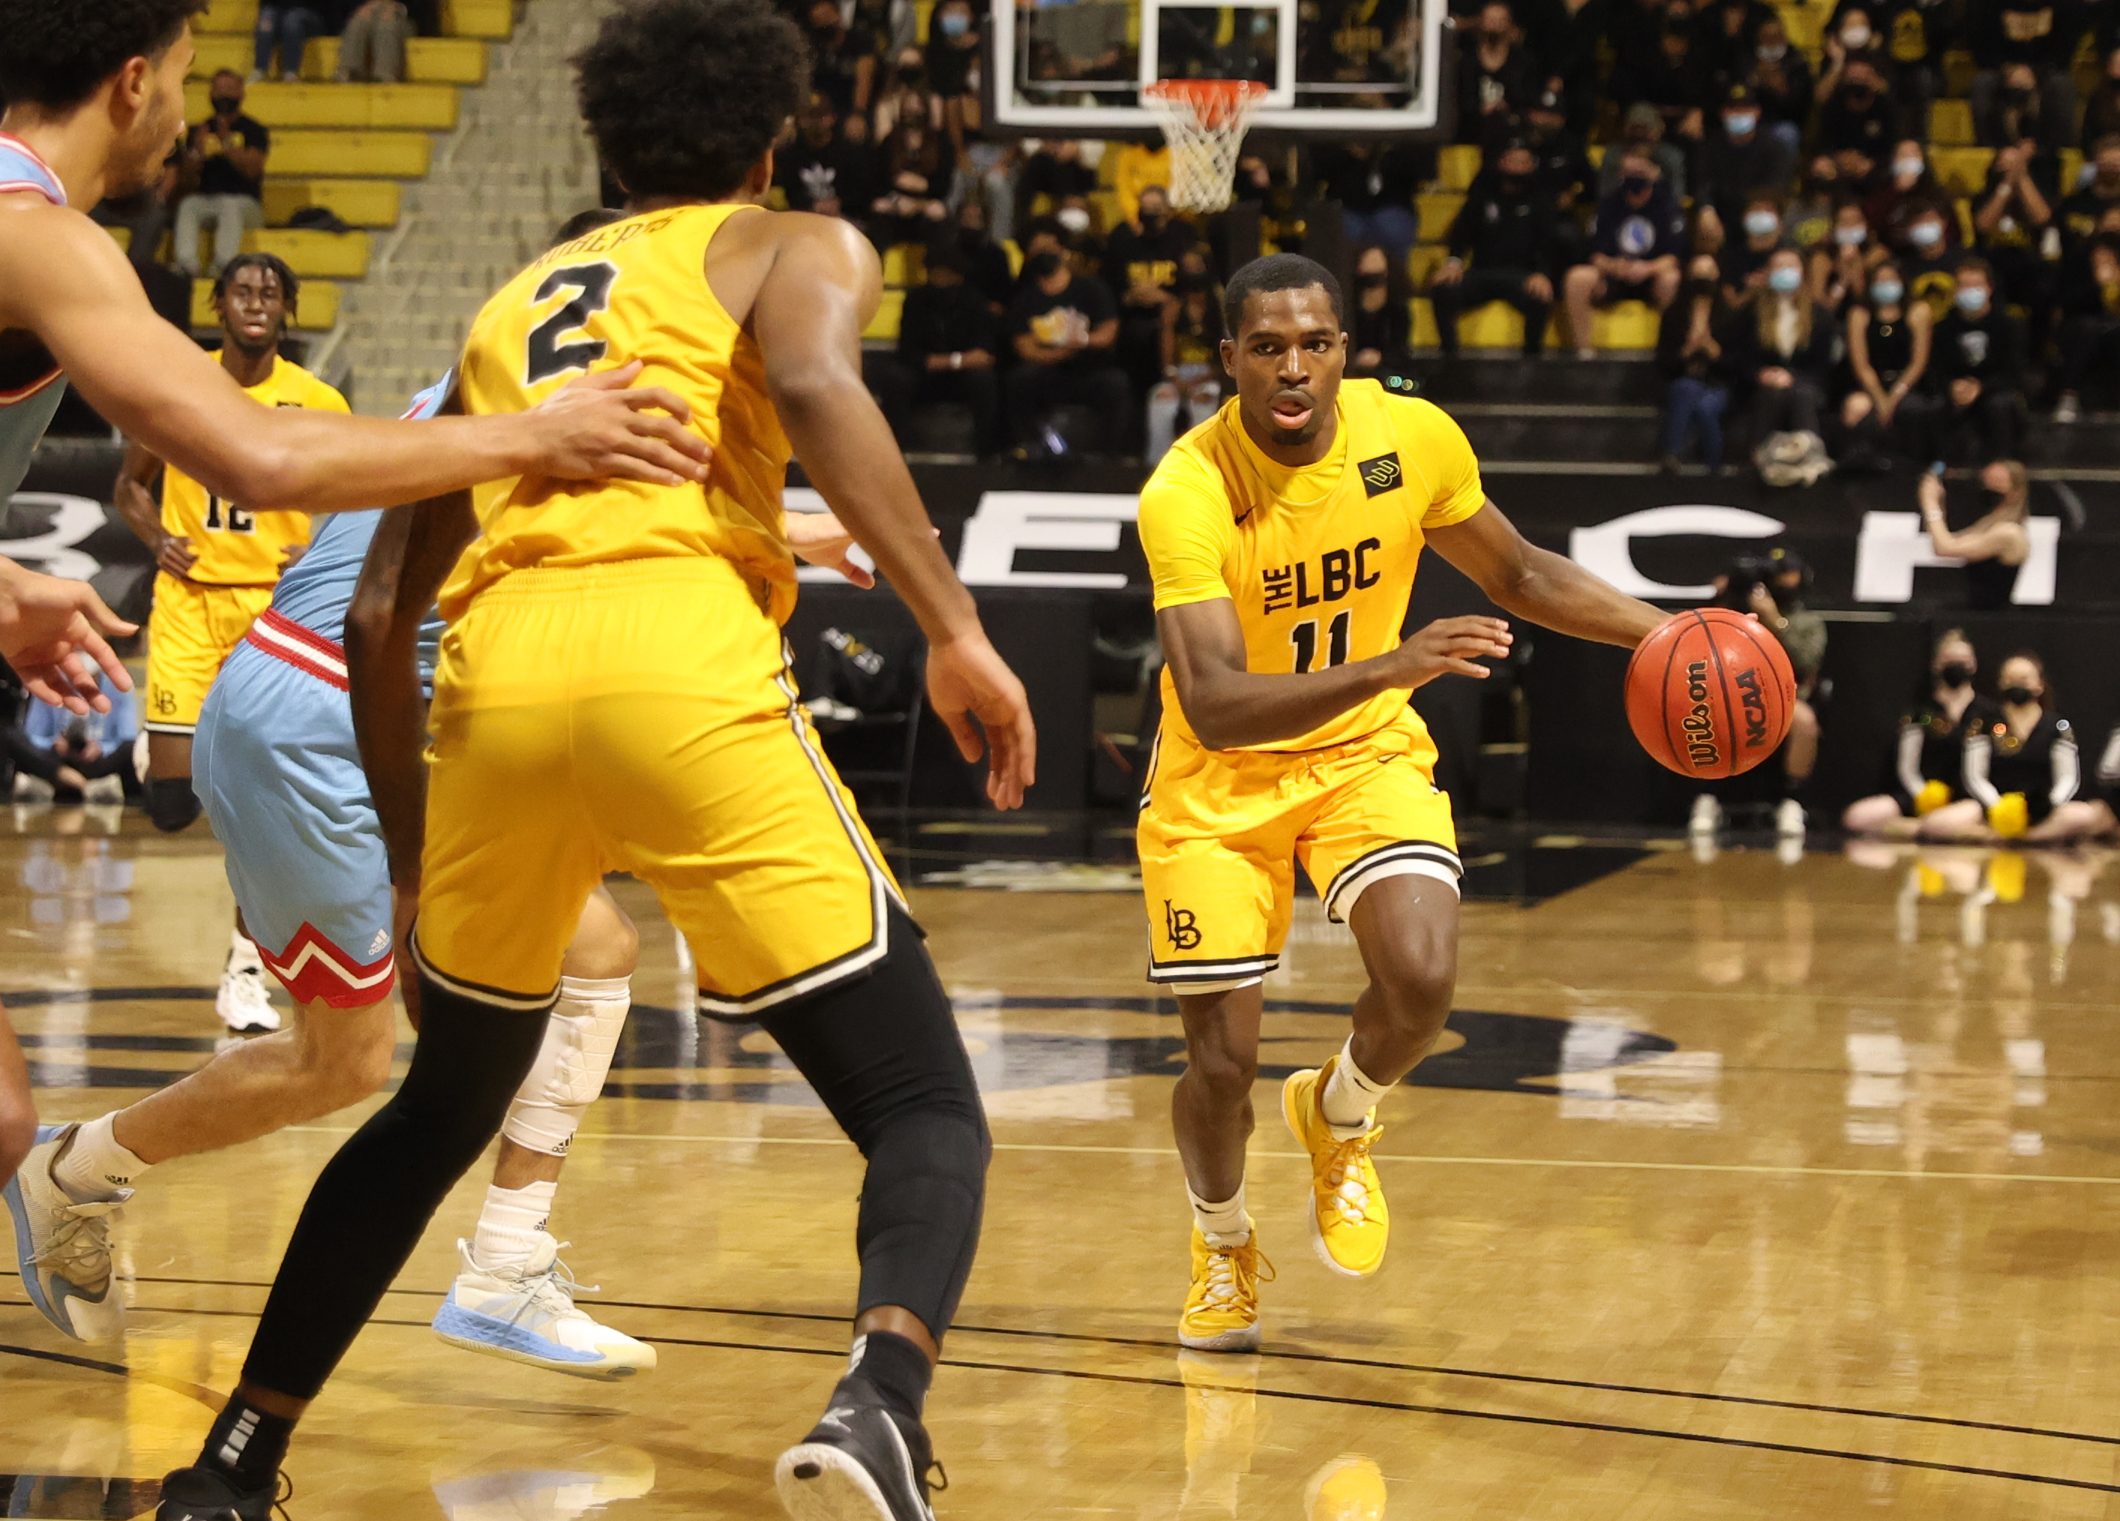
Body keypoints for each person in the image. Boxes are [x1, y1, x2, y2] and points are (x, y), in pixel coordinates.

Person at [151, 6, 1036, 1521]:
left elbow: (378, 613)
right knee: (920, 1104)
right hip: (671, 657)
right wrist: (952, 627)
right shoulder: (787, 243)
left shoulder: (512, 305)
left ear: (608, 149)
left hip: (493, 694)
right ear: (771, 139)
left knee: (442, 1103)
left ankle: (235, 1460)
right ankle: (879, 1406)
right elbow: (822, 392)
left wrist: (423, 864)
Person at [0, 0, 707, 1208]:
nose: (181, 103)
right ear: (131, 83)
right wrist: (530, 434)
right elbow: (259, 460)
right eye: (182, 72)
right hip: (295, 700)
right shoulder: (39, 235)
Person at [1134, 252, 1663, 1356]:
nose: (1292, 368)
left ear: (1344, 351)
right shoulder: (1185, 491)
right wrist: (1390, 664)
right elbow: (1221, 705)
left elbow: (1515, 573)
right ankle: (1220, 1241)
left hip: (1364, 756)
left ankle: (1337, 1115)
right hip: (1220, 784)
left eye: (1313, 344)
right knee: (1221, 1064)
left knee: (1420, 982)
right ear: (1227, 359)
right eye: (1266, 348)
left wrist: (1659, 633)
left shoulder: (1409, 439)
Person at [112, 253, 340, 1031]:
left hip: (274, 610)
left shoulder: (318, 400)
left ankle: (246, 966)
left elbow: (352, 490)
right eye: (244, 290)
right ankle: (185, 752)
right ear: (218, 305)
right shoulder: (182, 380)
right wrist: (155, 535)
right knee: (171, 806)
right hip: (188, 602)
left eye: (273, 292)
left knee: (261, 804)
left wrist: (319, 546)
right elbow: (129, 485)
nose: (258, 301)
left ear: (287, 311)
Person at [1922, 652, 2116, 845]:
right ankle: (2003, 837)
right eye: (2010, 679)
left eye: (2023, 679)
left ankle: (2022, 839)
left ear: (2039, 685)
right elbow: (1974, 776)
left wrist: (2047, 805)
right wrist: (1997, 806)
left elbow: (2068, 778)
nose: (2017, 685)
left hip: (2041, 808)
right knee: (1936, 824)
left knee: (2082, 816)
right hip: (1993, 807)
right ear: (2001, 683)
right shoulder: (1983, 724)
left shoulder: (2058, 727)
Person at [1842, 629, 1998, 835]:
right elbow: (1907, 769)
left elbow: (1981, 773)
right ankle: (1934, 831)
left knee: (1939, 825)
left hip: (1967, 797)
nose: (1957, 666)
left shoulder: (1986, 713)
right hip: (1922, 795)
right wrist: (1925, 797)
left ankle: (1935, 830)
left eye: (1963, 660)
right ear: (1936, 664)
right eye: (1949, 660)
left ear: (1974, 664)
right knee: (1856, 817)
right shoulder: (1920, 711)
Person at [1431, 138, 1557, 359]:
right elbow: (1461, 233)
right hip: (1482, 272)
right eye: (1512, 161)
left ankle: (1532, 357)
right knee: (1443, 289)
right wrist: (1454, 262)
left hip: (1522, 275)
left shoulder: (1541, 200)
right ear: (1500, 163)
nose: (1517, 167)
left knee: (1540, 296)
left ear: (1532, 166)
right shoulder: (1482, 195)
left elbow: (1549, 243)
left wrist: (1542, 274)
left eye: (1523, 162)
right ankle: (1449, 356)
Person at [1563, 145, 1687, 358]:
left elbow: (1675, 255)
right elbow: (1595, 254)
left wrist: (1648, 268)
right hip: (1614, 275)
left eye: (1640, 173)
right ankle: (1584, 353)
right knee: (1577, 278)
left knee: (1671, 279)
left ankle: (1670, 351)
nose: (1634, 178)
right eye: (1629, 173)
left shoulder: (1668, 205)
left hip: (1651, 276)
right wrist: (1614, 266)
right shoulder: (1609, 203)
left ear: (1654, 172)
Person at [1006, 249, 1129, 453]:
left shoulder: (1092, 289)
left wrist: (1082, 340)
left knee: (1117, 384)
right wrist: (1060, 354)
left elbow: (1108, 333)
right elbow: (1024, 347)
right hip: (1048, 370)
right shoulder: (1026, 299)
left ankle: (1110, 453)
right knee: (1019, 380)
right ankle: (1030, 446)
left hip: (1089, 369)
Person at [1732, 247, 1834, 470]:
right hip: (1760, 387)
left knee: (1801, 395)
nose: (1786, 272)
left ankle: (1810, 459)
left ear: (1802, 272)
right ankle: (1757, 458)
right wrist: (1761, 374)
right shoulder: (1751, 312)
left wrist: (1793, 376)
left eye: (1791, 266)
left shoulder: (1820, 315)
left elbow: (1823, 365)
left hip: (1806, 385)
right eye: (1779, 266)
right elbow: (1738, 358)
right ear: (1768, 272)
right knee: (1774, 395)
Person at [895, 243, 1001, 455]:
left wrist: (942, 361)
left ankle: (987, 452)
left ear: (959, 277)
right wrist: (957, 360)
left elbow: (984, 354)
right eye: (935, 275)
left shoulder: (975, 301)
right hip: (927, 375)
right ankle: (897, 448)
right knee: (896, 379)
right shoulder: (916, 301)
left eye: (946, 276)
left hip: (962, 378)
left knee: (984, 380)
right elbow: (908, 351)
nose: (940, 282)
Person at [1838, 259, 1936, 465]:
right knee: (1857, 408)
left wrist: (1894, 397)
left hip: (1907, 383)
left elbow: (1918, 362)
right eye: (1880, 281)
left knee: (1912, 408)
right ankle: (1861, 468)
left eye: (1891, 280)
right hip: (1870, 383)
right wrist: (1880, 398)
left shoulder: (1918, 311)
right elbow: (1862, 364)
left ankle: (1911, 467)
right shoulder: (1859, 313)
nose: (1885, 285)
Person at [171, 70, 268, 278]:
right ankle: (187, 264)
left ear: (241, 93)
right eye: (219, 90)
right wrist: (196, 151)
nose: (223, 96)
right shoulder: (200, 130)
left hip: (246, 204)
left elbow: (253, 169)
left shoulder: (254, 130)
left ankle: (223, 265)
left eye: (229, 89)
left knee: (229, 204)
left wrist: (226, 143)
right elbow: (186, 179)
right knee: (189, 205)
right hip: (207, 199)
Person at [1928, 259, 2026, 463]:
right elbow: (1936, 369)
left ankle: (2002, 466)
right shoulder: (1942, 328)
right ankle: (1938, 467)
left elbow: (2014, 372)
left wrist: (1981, 387)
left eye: (1976, 286)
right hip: (1955, 391)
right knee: (1932, 405)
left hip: (1994, 390)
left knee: (2001, 404)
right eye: (1964, 286)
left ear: (1989, 288)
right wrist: (1952, 386)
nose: (1970, 292)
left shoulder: (2008, 325)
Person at [5, 678, 141, 804]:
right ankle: (78, 782)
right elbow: (32, 735)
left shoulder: (118, 684)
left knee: (132, 748)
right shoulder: (48, 680)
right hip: (55, 759)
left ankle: (61, 783)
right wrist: (54, 743)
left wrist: (101, 747)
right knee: (10, 736)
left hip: (96, 761)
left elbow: (128, 736)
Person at [1918, 461, 2030, 609]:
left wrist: (1929, 502)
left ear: (2015, 492)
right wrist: (1938, 503)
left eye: (1997, 483)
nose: (1987, 488)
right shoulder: (1989, 523)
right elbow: (1946, 540)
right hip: (1974, 612)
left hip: (1989, 620)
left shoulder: (2009, 533)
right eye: (1985, 482)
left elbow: (1945, 548)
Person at [1149, 269, 1225, 463]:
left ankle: (1200, 463)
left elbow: (1221, 364)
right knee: (1161, 399)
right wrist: (1174, 377)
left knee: (1204, 403)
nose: (1195, 298)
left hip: (1208, 378)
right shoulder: (1176, 315)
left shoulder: (1218, 318)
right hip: (1178, 376)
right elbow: (1168, 363)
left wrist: (1196, 382)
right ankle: (1157, 463)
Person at [2051, 231, 2120, 423]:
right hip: (2079, 326)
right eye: (2099, 252)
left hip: (2113, 328)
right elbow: (2067, 304)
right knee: (2087, 329)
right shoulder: (2078, 271)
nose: (2103, 257)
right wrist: (2098, 286)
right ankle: (2069, 396)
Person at [253, 0, 323, 81]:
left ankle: (291, 71)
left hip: (310, 13)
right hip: (278, 11)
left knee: (292, 21)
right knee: (266, 19)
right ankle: (260, 69)